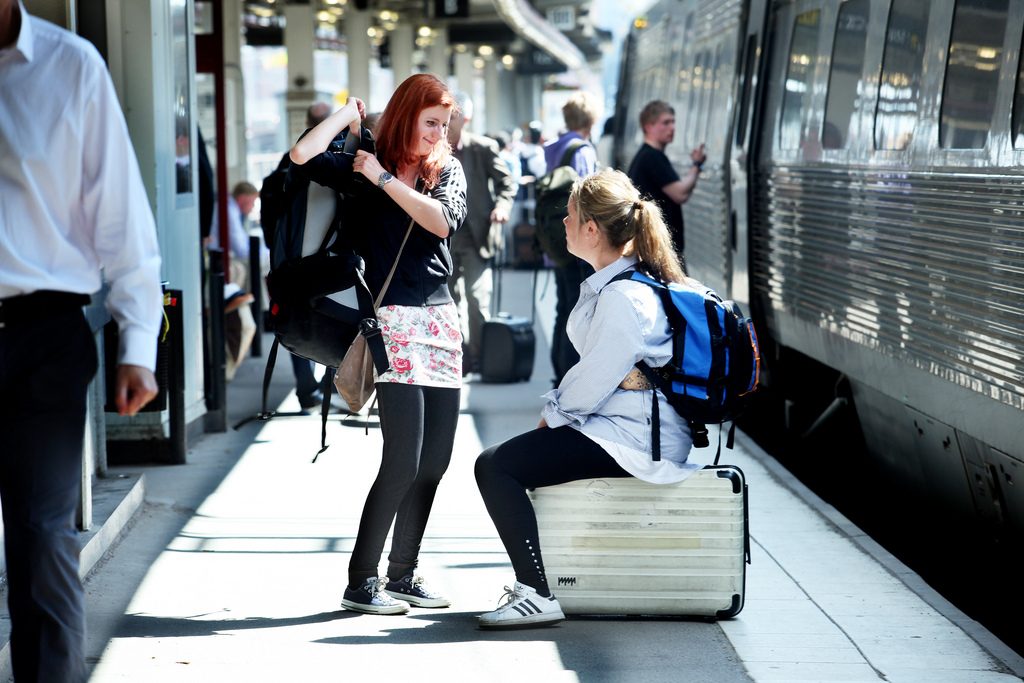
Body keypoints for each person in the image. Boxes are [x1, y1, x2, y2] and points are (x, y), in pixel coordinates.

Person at [0, 2, 163, 679]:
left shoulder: (72, 67)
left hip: (45, 334)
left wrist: (138, 344)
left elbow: (119, 213)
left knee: (43, 539)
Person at [474, 168, 699, 629]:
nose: (564, 224)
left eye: (570, 215)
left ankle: (535, 593)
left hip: (634, 438)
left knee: (496, 465)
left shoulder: (624, 298)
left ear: (592, 230)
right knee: (522, 458)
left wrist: (550, 417)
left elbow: (592, 380)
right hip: (630, 427)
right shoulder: (626, 283)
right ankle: (551, 579)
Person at [290, 74, 468, 615]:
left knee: (435, 460)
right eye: (430, 122)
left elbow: (441, 222)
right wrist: (347, 116)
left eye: (444, 124)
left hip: (439, 318)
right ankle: (361, 580)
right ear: (406, 115)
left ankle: (404, 575)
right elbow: (302, 155)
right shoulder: (362, 158)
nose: (439, 133)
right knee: (403, 458)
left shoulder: (444, 168)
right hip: (390, 319)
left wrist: (386, 178)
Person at [266, 101, 344, 411]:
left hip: (288, 263)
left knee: (297, 322)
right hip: (327, 261)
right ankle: (330, 385)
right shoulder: (335, 160)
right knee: (332, 319)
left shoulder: (286, 164)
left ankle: (307, 390)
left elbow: (271, 211)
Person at [447, 92, 516, 375]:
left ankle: (478, 357)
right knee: (448, 299)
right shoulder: (432, 147)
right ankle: (457, 356)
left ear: (467, 119)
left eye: (454, 116)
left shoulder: (483, 148)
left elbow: (507, 185)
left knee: (476, 297)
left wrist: (501, 208)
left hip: (477, 236)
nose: (448, 122)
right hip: (443, 235)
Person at [541, 91, 601, 385]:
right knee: (578, 311)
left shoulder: (553, 148)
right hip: (576, 242)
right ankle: (570, 375)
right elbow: (587, 200)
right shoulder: (582, 150)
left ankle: (558, 371)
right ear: (590, 119)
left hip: (554, 238)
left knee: (562, 308)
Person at [626, 100, 707, 254]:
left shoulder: (647, 155)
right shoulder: (652, 157)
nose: (672, 128)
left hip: (655, 245)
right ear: (648, 126)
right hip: (659, 248)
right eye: (666, 123)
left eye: (673, 122)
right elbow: (680, 193)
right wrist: (697, 165)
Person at [209, 180, 268, 291]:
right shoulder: (229, 211)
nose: (253, 207)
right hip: (215, 259)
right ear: (242, 199)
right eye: (253, 201)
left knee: (257, 264)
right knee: (256, 265)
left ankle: (261, 305)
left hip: (219, 257)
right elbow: (241, 250)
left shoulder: (232, 210)